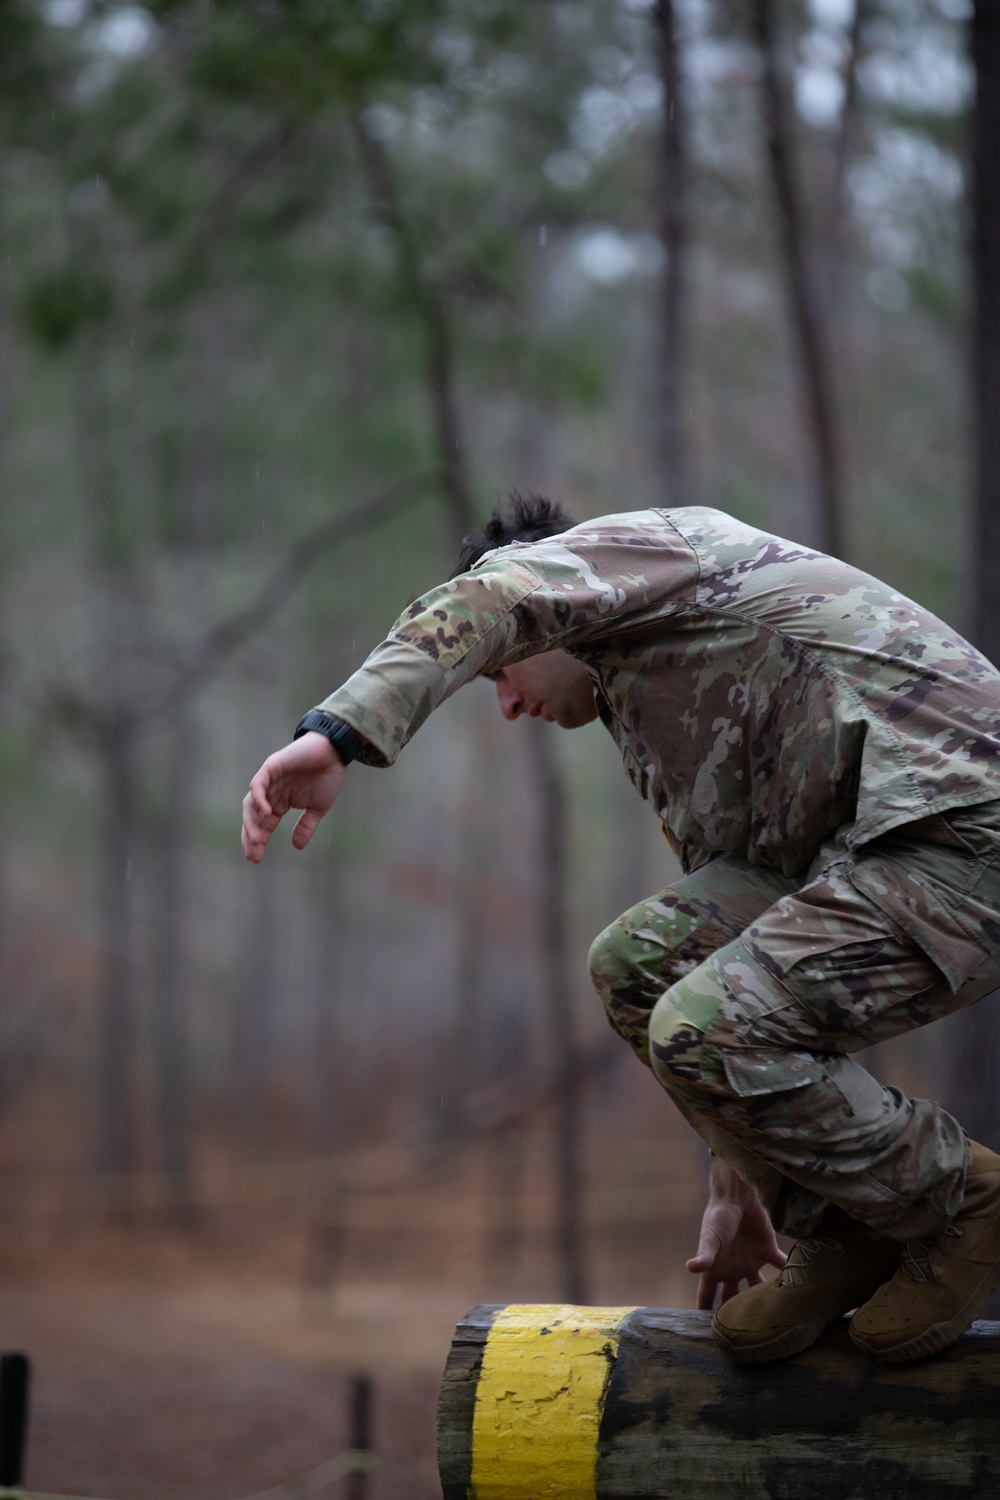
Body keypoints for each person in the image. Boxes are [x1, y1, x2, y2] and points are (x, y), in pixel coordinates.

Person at [241, 496, 1000, 1364]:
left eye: (502, 677)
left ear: (558, 611)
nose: (508, 706)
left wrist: (337, 736)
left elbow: (495, 599)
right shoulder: (661, 695)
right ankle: (851, 1224)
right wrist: (746, 1178)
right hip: (885, 848)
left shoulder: (647, 551)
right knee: (641, 962)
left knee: (703, 1020)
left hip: (963, 828)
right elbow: (730, 962)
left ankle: (960, 1203)